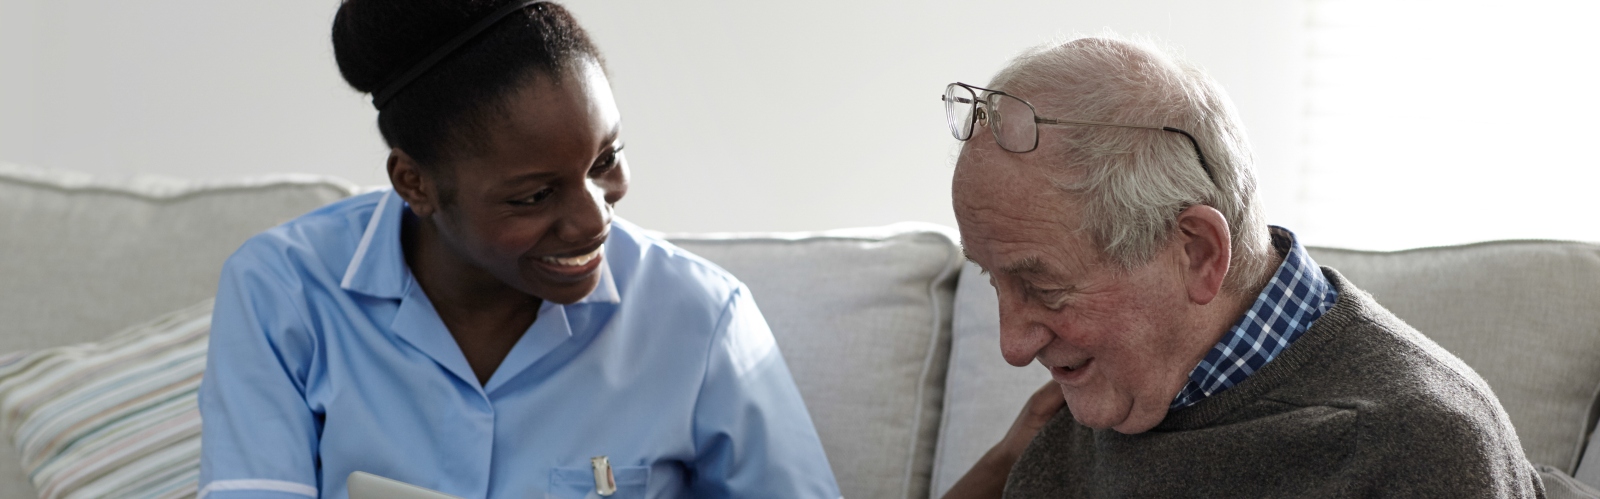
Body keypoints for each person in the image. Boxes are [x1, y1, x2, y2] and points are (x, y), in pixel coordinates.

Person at [196, 2, 840, 498]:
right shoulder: (282, 290)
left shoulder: (702, 319)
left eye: (606, 160)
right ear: (414, 183)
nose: (593, 218)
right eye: (534, 197)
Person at [940, 36, 1544, 498]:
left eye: (1045, 288)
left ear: (1197, 251)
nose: (1013, 347)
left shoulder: (1414, 445)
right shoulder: (1088, 404)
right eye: (995, 280)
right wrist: (1004, 465)